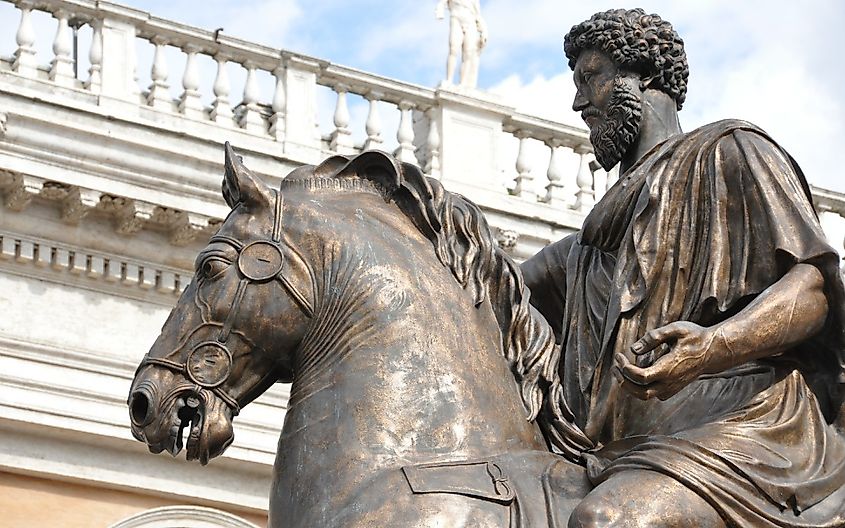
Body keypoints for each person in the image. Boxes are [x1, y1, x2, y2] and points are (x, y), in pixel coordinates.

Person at [523, 8, 845, 527]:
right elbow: (493, 287)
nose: (579, 102)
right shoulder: (586, 246)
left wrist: (712, 347)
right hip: (625, 447)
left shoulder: (731, 151)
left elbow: (814, 292)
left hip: (748, 423)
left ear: (644, 73)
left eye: (592, 78)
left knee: (611, 521)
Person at [435, 0, 487, 88]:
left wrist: (484, 31)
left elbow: (478, 15)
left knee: (468, 54)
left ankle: (462, 84)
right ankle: (449, 80)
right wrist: (440, 11)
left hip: (470, 21)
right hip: (456, 17)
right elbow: (442, 3)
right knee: (453, 48)